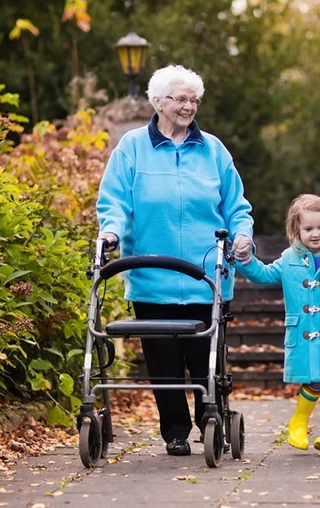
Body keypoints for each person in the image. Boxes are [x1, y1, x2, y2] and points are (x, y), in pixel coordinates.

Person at [96, 64, 255, 457]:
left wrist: (243, 235)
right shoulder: (132, 147)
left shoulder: (214, 150)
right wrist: (111, 232)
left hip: (208, 275)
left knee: (204, 359)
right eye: (180, 99)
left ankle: (211, 421)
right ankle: (176, 432)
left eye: (194, 100)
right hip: (151, 275)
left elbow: (237, 207)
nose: (188, 107)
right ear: (157, 102)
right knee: (163, 363)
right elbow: (113, 201)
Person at [233, 194, 320, 454]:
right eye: (308, 229)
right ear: (296, 230)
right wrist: (245, 260)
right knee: (314, 379)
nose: (315, 234)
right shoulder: (289, 258)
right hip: (307, 332)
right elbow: (265, 274)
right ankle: (298, 422)